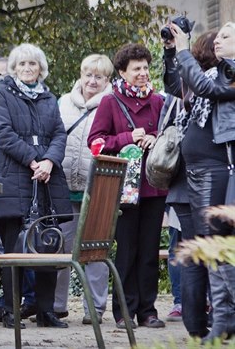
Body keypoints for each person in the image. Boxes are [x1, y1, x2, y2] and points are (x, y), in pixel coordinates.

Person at [0, 43, 71, 330]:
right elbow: (1, 132)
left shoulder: (49, 97)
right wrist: (34, 160)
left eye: (32, 64)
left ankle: (46, 312)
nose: (26, 69)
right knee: (14, 247)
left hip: (47, 180)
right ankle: (11, 310)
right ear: (14, 68)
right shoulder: (2, 93)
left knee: (48, 242)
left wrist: (49, 161)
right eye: (21, 64)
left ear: (40, 69)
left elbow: (59, 133)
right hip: (14, 178)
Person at [88, 43, 167, 329]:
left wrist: (155, 137)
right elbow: (95, 143)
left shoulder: (158, 101)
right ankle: (123, 312)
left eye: (146, 67)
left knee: (149, 252)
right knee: (127, 250)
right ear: (122, 72)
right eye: (137, 69)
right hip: (123, 189)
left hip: (154, 186)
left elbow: (170, 133)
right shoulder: (110, 102)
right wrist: (127, 138)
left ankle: (148, 311)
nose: (143, 73)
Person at [170, 21, 235, 343]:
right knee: (207, 246)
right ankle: (219, 322)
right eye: (218, 36)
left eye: (225, 36)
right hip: (199, 171)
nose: (217, 41)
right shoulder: (221, 71)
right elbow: (185, 88)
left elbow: (206, 89)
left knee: (214, 245)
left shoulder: (229, 74)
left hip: (215, 169)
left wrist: (184, 50)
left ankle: (224, 321)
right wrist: (174, 51)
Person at [161, 29, 219, 338]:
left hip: (185, 179)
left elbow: (171, 82)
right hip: (203, 178)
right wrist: (174, 50)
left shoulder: (192, 80)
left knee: (194, 251)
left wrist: (172, 53)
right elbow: (174, 82)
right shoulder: (210, 80)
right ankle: (203, 321)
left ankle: (196, 324)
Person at [56, 54, 114, 325]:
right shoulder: (62, 102)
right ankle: (56, 306)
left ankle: (95, 308)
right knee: (59, 247)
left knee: (95, 250)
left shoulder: (112, 103)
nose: (92, 81)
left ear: (107, 80)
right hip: (64, 184)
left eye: (98, 76)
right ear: (80, 74)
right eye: (88, 74)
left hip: (97, 187)